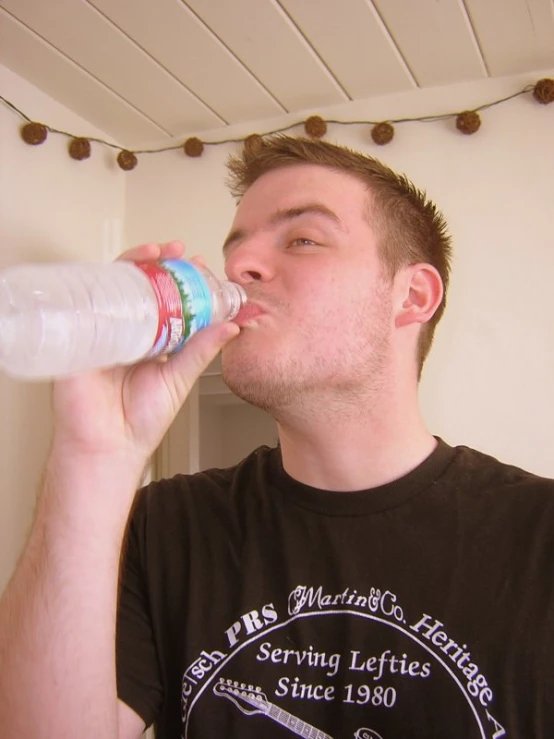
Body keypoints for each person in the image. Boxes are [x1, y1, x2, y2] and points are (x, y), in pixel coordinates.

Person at [0, 135, 552, 739]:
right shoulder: (166, 526)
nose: (240, 267)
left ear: (411, 296)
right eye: (235, 249)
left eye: (302, 240)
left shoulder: (538, 538)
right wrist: (93, 455)